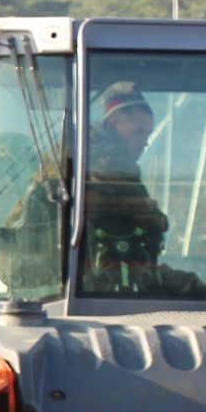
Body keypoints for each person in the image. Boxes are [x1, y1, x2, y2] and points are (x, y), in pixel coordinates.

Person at [82, 81, 171, 291]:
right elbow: (153, 220)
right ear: (114, 123)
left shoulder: (75, 152)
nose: (145, 142)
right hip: (99, 277)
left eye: (148, 134)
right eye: (139, 132)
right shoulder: (113, 164)